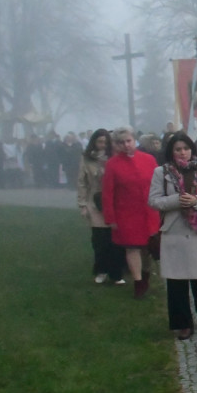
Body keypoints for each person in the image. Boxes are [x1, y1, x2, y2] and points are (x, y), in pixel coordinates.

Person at [148, 133, 197, 340]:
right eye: (178, 149)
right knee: (176, 282)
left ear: (192, 149)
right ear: (171, 151)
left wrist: (196, 201)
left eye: (186, 148)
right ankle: (183, 323)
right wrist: (176, 200)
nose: (182, 152)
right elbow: (153, 201)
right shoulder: (161, 173)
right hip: (174, 231)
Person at [102, 126, 161, 299]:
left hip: (150, 211)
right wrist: (110, 217)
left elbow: (159, 182)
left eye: (129, 141)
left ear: (134, 140)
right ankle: (138, 282)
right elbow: (108, 193)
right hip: (127, 214)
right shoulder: (112, 164)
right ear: (116, 145)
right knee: (132, 248)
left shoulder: (149, 159)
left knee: (151, 248)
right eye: (121, 142)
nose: (126, 145)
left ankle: (150, 276)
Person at [77, 129, 125, 286]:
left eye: (105, 142)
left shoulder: (116, 158)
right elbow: (82, 183)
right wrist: (82, 204)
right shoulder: (87, 159)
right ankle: (101, 270)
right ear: (94, 142)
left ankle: (116, 273)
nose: (103, 145)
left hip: (114, 203)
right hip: (95, 202)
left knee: (115, 241)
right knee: (100, 241)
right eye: (100, 142)